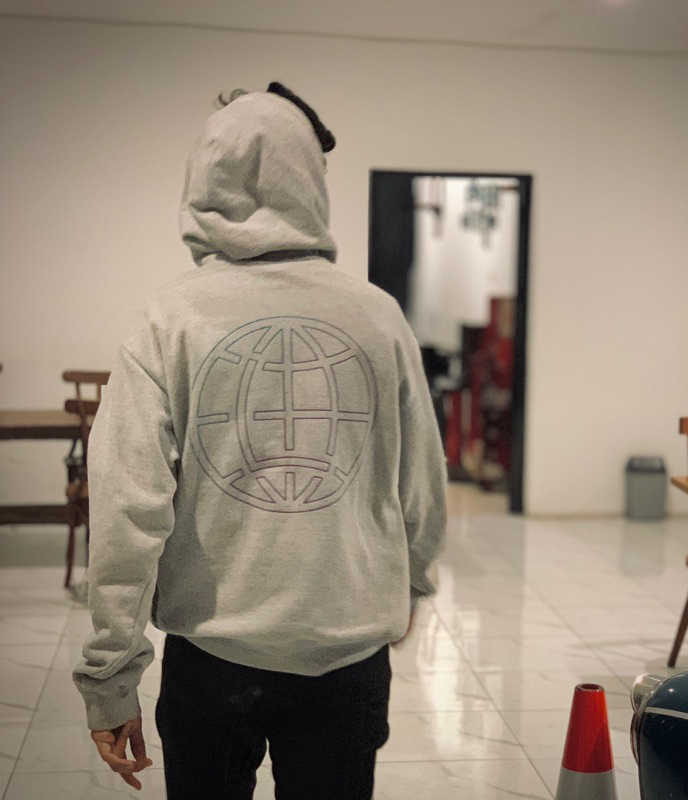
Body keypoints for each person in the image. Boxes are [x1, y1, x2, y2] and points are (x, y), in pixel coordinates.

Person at [73, 82, 447, 800]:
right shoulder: (378, 317)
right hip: (346, 653)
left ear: (205, 177)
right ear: (311, 180)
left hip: (212, 657)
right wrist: (411, 589)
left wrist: (111, 676)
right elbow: (423, 486)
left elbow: (126, 507)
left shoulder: (170, 319)